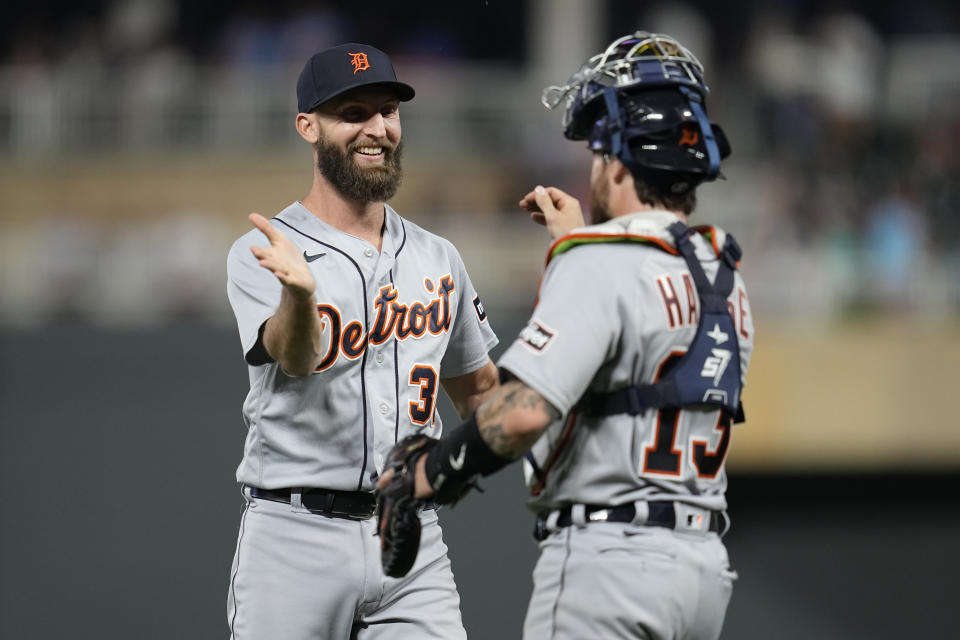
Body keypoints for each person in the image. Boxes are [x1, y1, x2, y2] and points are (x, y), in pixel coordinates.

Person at [379, 31, 755, 640]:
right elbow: (639, 356)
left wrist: (423, 476)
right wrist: (572, 247)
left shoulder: (599, 261)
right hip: (702, 570)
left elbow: (523, 414)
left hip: (609, 562)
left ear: (618, 157)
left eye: (597, 151)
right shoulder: (723, 274)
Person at [225, 42, 499, 639]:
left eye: (388, 111)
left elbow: (480, 394)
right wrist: (299, 294)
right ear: (308, 126)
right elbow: (294, 358)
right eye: (353, 113)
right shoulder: (266, 249)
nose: (377, 128)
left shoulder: (438, 255)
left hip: (411, 538)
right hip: (294, 536)